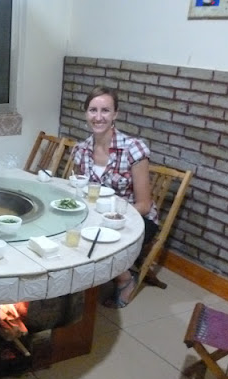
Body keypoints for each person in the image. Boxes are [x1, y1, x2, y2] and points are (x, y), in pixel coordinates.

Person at [71, 86, 158, 308]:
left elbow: (144, 205)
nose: (98, 117)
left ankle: (124, 278)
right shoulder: (81, 149)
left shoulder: (133, 148)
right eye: (93, 110)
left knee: (96, 240)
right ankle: (75, 286)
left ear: (115, 114)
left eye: (105, 110)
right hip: (97, 216)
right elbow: (79, 191)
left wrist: (108, 218)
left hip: (135, 219)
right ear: (86, 113)